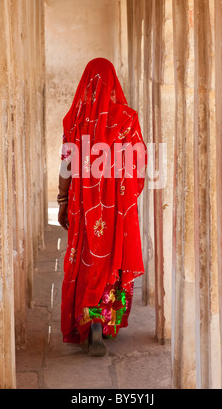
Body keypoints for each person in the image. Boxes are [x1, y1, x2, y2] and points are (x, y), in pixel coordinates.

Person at [58, 58, 147, 357]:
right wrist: (125, 194)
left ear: (86, 85)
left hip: (83, 207)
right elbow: (140, 162)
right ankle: (104, 320)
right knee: (110, 259)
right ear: (114, 85)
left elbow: (66, 165)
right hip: (114, 209)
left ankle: (88, 317)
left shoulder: (74, 120)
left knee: (84, 256)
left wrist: (62, 199)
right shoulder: (126, 120)